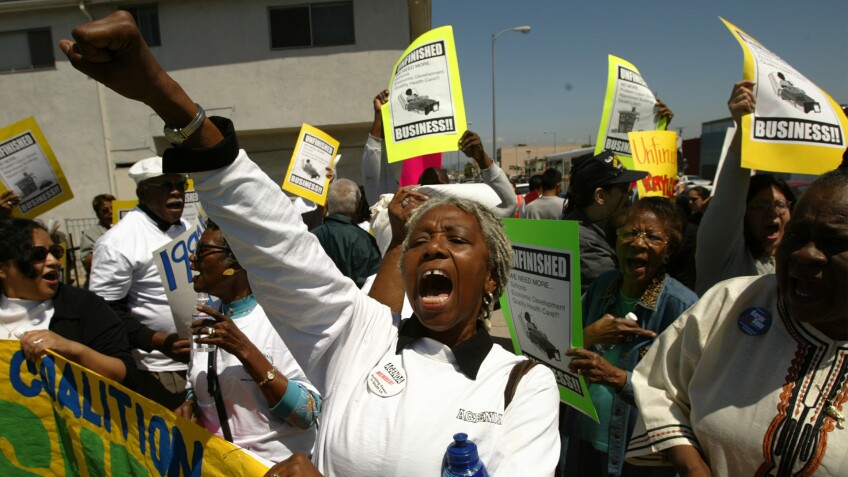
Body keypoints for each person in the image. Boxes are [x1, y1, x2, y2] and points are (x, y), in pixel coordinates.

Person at [58, 12, 560, 475]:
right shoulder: (363, 335)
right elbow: (276, 241)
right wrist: (163, 94)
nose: (432, 247)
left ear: (492, 274)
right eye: (420, 240)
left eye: (455, 238)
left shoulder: (521, 385)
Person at [626, 168, 848, 476]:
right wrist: (693, 466)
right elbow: (659, 387)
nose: (807, 254)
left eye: (835, 240)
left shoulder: (675, 298)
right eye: (796, 235)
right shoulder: (731, 302)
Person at [560, 197, 697, 477]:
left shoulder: (682, 308)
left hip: (637, 457)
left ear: (668, 250)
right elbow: (558, 350)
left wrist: (620, 379)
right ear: (616, 241)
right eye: (630, 232)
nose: (639, 243)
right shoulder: (601, 287)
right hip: (582, 437)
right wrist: (589, 335)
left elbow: (688, 398)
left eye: (653, 236)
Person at [174, 220, 319, 463]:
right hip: (219, 466)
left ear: (236, 262)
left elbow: (307, 413)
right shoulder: (204, 314)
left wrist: (244, 350)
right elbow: (198, 382)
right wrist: (191, 404)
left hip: (278, 468)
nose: (191, 259)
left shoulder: (282, 318)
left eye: (202, 251)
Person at [89, 156, 191, 409]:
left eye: (181, 185)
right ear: (142, 192)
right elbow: (103, 312)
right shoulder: (118, 242)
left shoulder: (186, 226)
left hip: (202, 361)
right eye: (166, 186)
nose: (176, 191)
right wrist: (157, 340)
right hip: (159, 369)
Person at [0, 218, 135, 388]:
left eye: (55, 252)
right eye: (38, 255)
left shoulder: (84, 306)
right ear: (2, 268)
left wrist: (71, 349)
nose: (54, 262)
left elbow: (125, 375)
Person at [695, 81, 796, 295]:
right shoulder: (727, 258)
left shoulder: (798, 265)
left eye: (780, 205)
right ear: (743, 214)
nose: (773, 214)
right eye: (759, 207)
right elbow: (728, 200)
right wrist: (744, 126)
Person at [562, 151, 648, 292]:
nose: (630, 193)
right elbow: (626, 291)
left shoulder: (596, 228)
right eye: (624, 187)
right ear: (600, 196)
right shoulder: (584, 246)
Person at [311, 178, 382, 288]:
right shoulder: (365, 241)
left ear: (328, 204)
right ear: (357, 206)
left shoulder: (311, 237)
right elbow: (373, 285)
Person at [78, 193, 116, 288]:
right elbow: (88, 264)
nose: (110, 212)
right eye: (105, 210)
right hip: (104, 287)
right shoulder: (90, 234)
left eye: (113, 208)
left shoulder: (128, 229)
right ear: (98, 214)